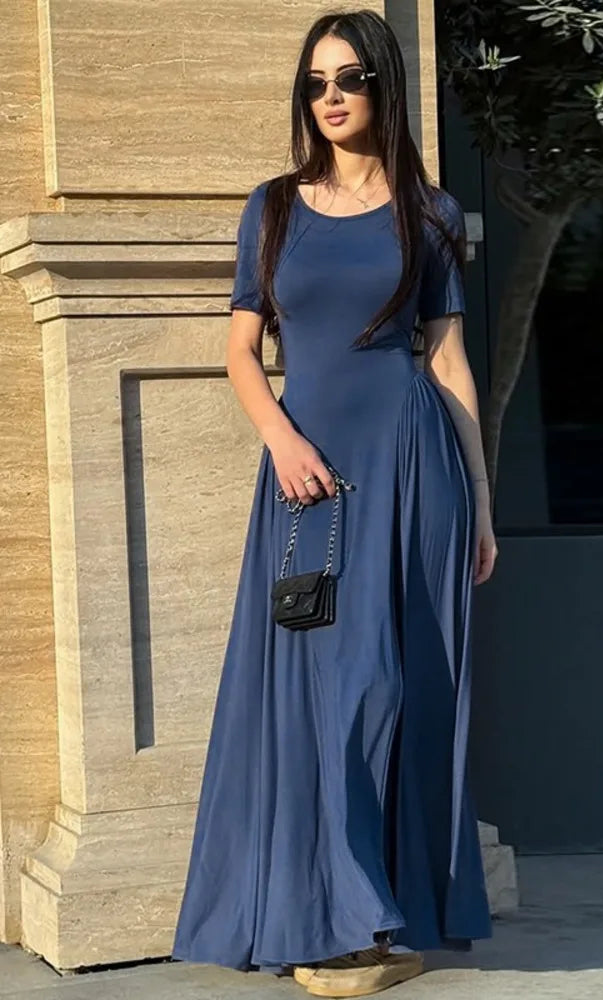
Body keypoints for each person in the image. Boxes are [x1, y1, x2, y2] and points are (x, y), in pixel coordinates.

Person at [171, 7, 498, 998]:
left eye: (350, 78)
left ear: (383, 87)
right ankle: (321, 908)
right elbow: (240, 349)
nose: (331, 97)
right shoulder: (272, 208)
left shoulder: (428, 212)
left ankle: (378, 913)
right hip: (310, 482)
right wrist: (280, 438)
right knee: (327, 691)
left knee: (401, 689)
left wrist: (479, 499)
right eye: (315, 82)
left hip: (415, 466)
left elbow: (445, 358)